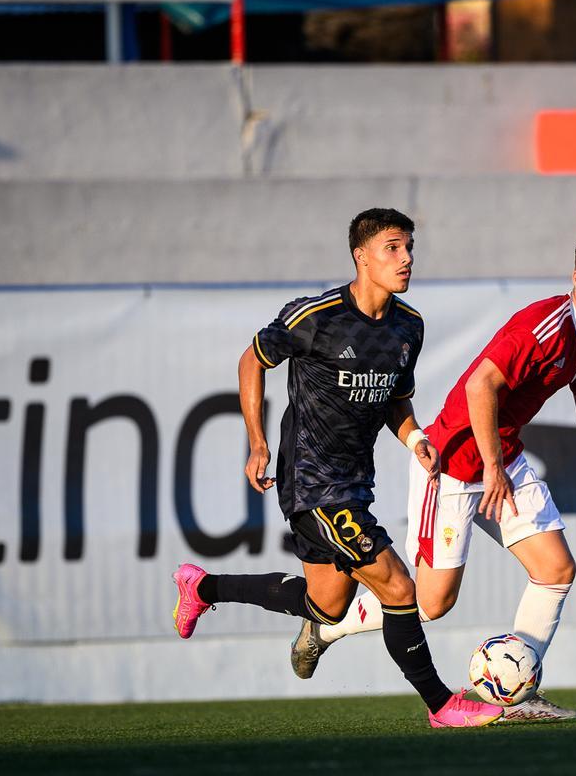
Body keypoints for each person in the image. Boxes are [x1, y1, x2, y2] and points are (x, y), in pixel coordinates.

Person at [288, 231, 576, 722]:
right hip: (453, 463)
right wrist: (493, 469)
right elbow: (481, 385)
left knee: (556, 571)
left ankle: (517, 692)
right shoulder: (543, 326)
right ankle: (326, 629)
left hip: (502, 459)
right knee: (432, 603)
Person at [170, 208, 503, 729]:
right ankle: (442, 705)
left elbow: (396, 399)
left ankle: (202, 588)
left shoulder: (408, 326)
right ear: (361, 256)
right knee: (398, 587)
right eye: (393, 247)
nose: (407, 258)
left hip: (354, 483)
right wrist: (257, 444)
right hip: (311, 482)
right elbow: (251, 360)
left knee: (327, 607)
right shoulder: (316, 317)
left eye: (410, 247)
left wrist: (414, 437)